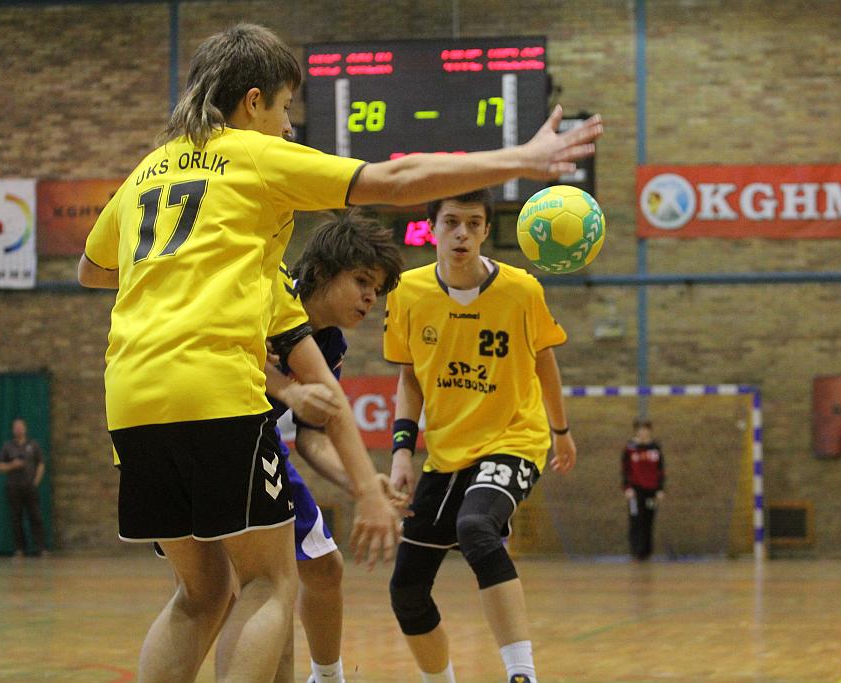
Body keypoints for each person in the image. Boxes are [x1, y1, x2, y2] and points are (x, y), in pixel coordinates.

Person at [77, 23, 600, 683]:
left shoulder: (147, 168)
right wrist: (517, 160)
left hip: (128, 396)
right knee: (271, 580)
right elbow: (397, 177)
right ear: (254, 101)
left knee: (201, 591)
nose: (290, 127)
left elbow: (92, 269)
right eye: (286, 110)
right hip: (210, 387)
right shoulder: (251, 155)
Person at [385, 188, 577, 683]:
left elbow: (544, 361)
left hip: (514, 439)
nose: (462, 233)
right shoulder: (407, 292)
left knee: (476, 527)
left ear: (487, 231)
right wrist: (402, 453)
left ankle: (521, 674)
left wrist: (561, 430)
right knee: (406, 589)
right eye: (451, 222)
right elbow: (408, 377)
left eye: (473, 223)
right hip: (446, 451)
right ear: (433, 228)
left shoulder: (521, 290)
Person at [267, 211, 405, 683]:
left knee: (324, 567)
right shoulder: (270, 292)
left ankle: (327, 677)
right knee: (227, 590)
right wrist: (282, 388)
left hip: (264, 448)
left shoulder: (330, 344)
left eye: (378, 290)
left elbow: (312, 434)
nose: (371, 297)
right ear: (322, 271)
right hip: (212, 434)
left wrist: (359, 484)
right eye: (362, 281)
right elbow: (219, 350)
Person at [0, 417, 47, 558]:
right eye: (16, 427)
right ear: (13, 430)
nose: (19, 429)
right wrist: (13, 465)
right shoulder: (8, 446)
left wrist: (36, 481)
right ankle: (20, 549)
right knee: (16, 518)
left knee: (35, 517)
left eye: (21, 427)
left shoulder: (33, 445)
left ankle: (40, 548)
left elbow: (41, 463)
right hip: (14, 487)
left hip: (30, 486)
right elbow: (0, 466)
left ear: (25, 428)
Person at [621, 418, 665, 561]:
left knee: (649, 519)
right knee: (636, 519)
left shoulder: (655, 448)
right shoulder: (630, 448)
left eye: (645, 429)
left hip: (651, 490)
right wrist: (627, 488)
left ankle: (647, 552)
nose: (643, 432)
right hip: (635, 491)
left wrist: (660, 489)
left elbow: (661, 470)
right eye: (640, 430)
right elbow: (625, 470)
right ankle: (636, 551)